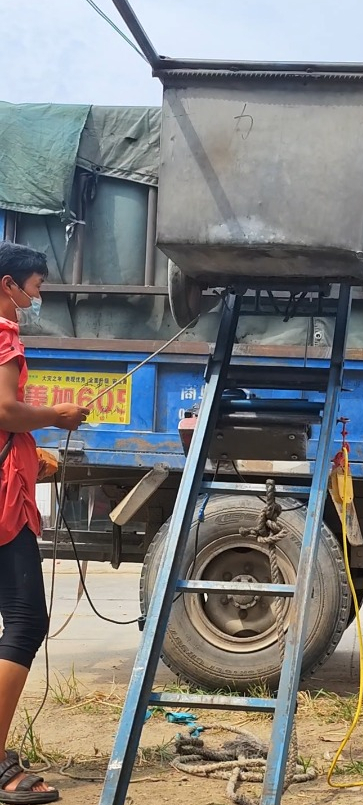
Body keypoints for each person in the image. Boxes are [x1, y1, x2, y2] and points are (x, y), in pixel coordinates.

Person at [0, 241, 89, 804]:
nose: (38, 296)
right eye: (34, 286)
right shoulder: (3, 336)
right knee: (27, 621)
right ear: (8, 285)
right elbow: (4, 410)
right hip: (4, 504)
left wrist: (31, 451)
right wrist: (56, 416)